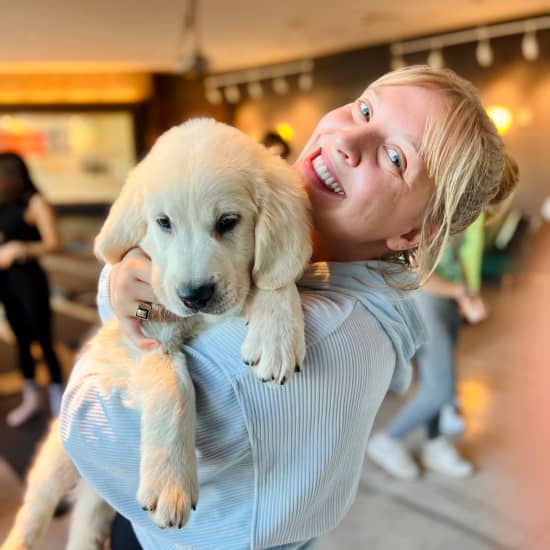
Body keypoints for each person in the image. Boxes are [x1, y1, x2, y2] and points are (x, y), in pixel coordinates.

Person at [60, 66, 518, 549]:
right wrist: (126, 280)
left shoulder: (313, 341)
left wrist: (126, 301)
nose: (349, 138)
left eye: (395, 158)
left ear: (410, 235)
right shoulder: (328, 276)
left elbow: (90, 430)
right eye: (365, 108)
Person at [367, 212, 496, 479]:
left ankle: (434, 443)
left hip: (447, 302)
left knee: (435, 384)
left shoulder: (463, 215)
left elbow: (455, 258)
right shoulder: (428, 212)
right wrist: (461, 293)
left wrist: (466, 296)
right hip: (427, 303)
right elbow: (420, 275)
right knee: (441, 390)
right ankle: (388, 439)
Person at [0, 152, 64, 427]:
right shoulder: (2, 203)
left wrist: (21, 249)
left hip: (29, 280)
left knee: (44, 341)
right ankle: (31, 400)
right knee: (21, 342)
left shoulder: (34, 202)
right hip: (5, 282)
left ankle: (60, 403)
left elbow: (54, 243)